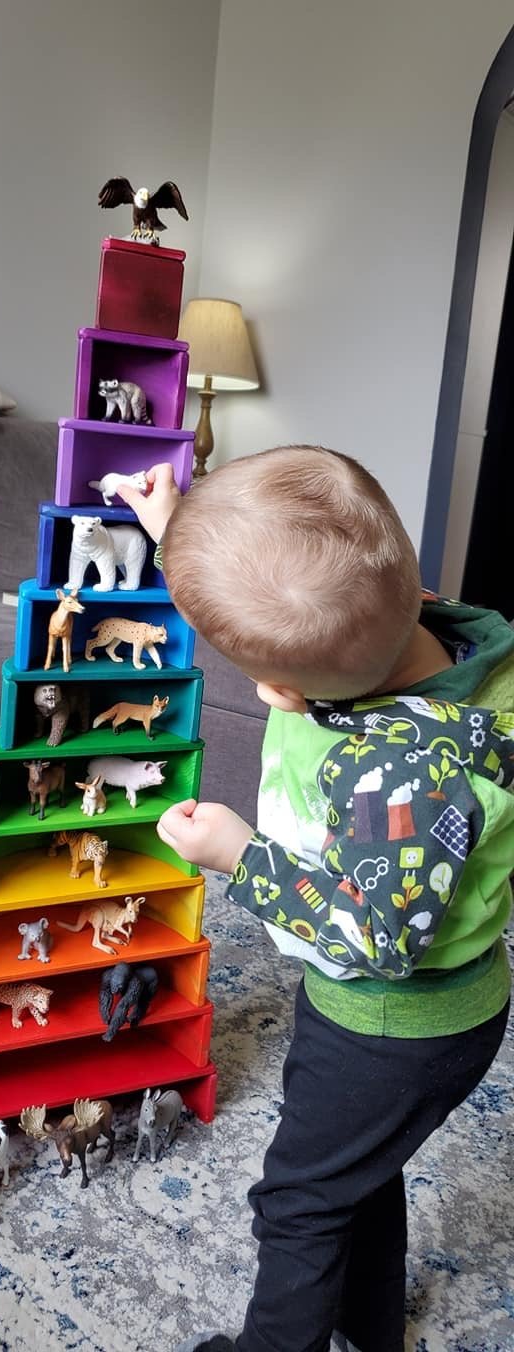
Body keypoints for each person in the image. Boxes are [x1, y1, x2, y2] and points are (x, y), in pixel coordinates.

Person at [118, 448, 514, 1352]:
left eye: (265, 684)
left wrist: (242, 855)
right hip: (442, 1011)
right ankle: (371, 1330)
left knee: (297, 1202)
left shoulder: (401, 775)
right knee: (358, 1175)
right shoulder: (445, 631)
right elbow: (299, 571)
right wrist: (175, 525)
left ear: (291, 695)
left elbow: (380, 938)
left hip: (388, 1023)